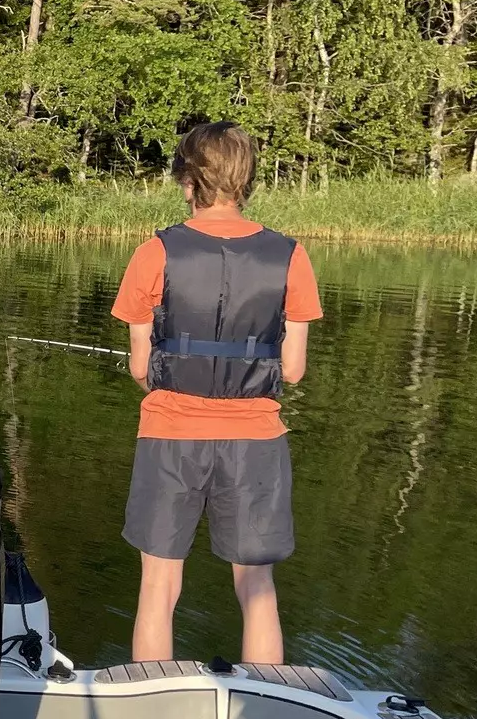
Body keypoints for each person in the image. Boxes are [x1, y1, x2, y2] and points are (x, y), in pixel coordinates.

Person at [113, 121, 321, 666]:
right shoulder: (291, 257)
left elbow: (140, 366)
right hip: (255, 440)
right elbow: (293, 370)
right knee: (256, 590)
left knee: (159, 588)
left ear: (188, 180)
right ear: (246, 178)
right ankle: (270, 707)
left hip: (169, 435)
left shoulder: (153, 253)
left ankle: (148, 702)